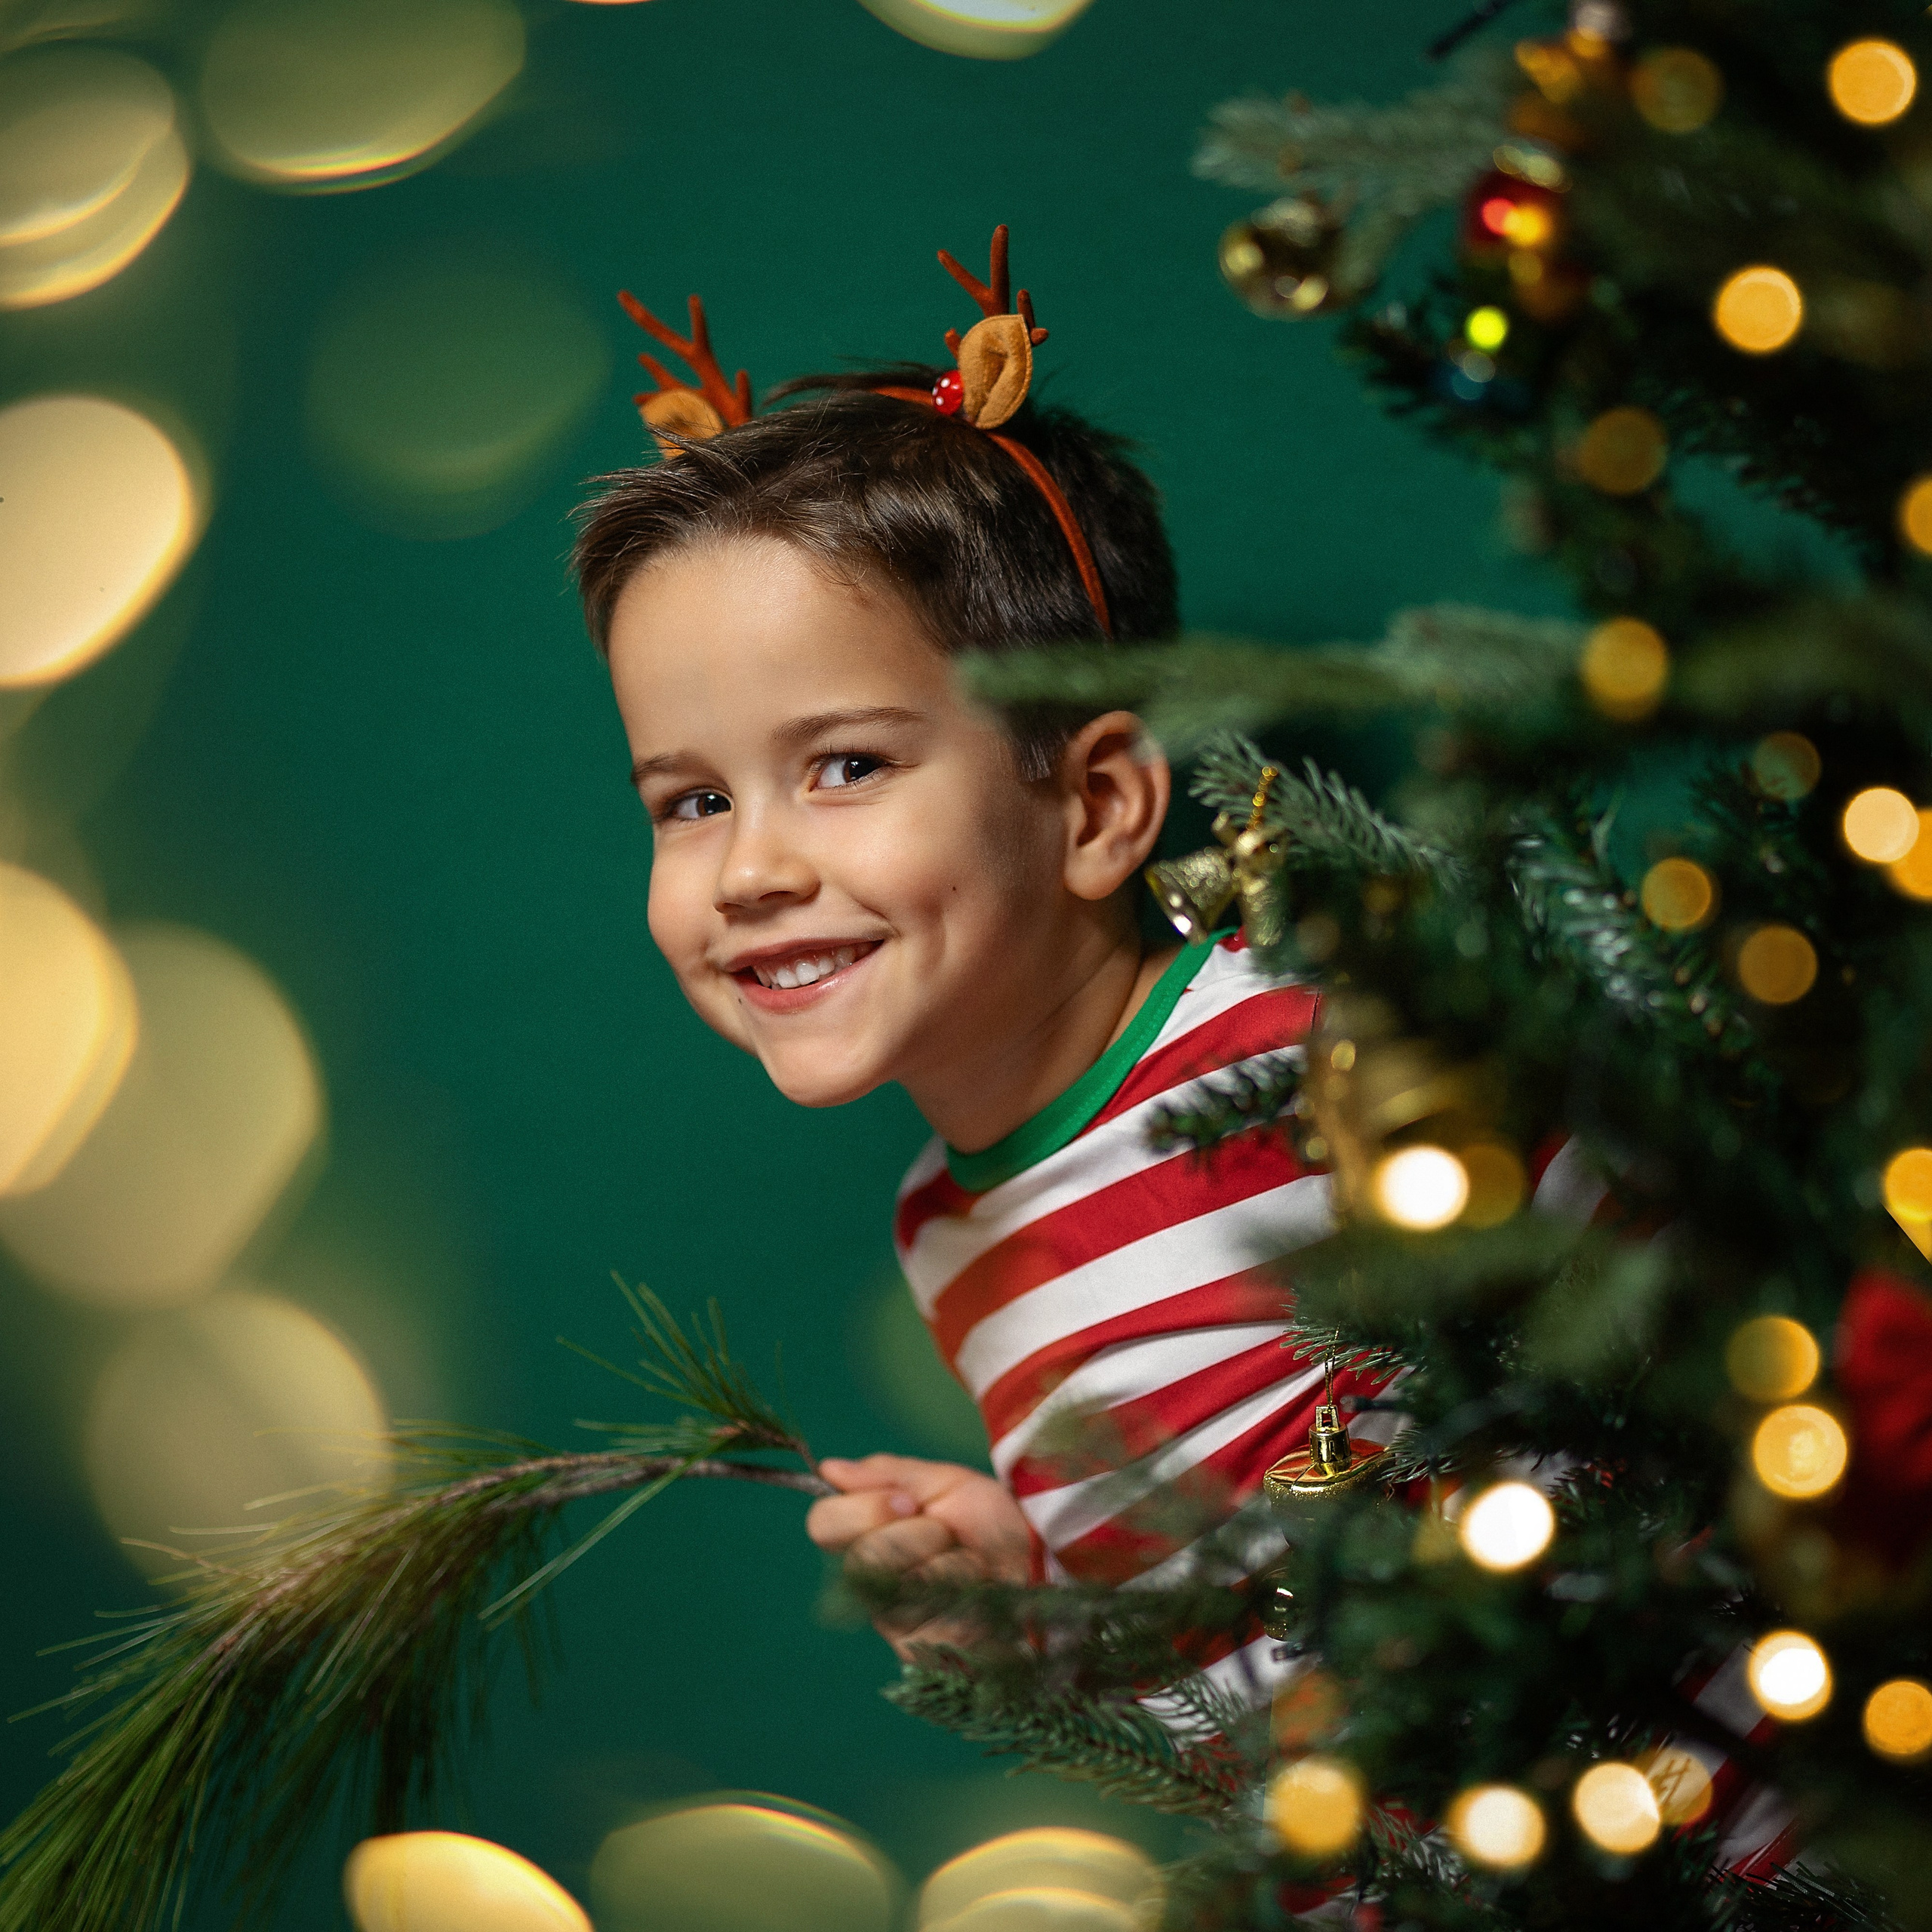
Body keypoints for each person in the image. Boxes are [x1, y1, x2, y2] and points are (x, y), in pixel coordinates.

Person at [569, 232, 1394, 1703]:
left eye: (841, 764)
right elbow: (1253, 1681)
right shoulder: (947, 1235)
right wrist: (1044, 1624)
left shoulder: (1317, 1046)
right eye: (690, 800)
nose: (747, 869)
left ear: (1089, 806)